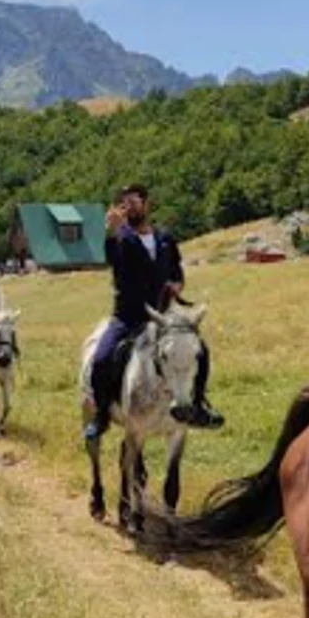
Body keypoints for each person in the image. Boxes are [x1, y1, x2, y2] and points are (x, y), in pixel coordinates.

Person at [86, 182, 224, 438]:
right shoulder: (120, 237)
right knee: (102, 358)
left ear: (146, 205)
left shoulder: (164, 239)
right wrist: (112, 232)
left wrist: (177, 285)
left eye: (135, 202)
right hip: (128, 315)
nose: (130, 208)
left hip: (163, 315)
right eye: (125, 203)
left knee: (200, 350)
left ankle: (199, 404)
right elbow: (113, 259)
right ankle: (102, 414)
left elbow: (176, 270)